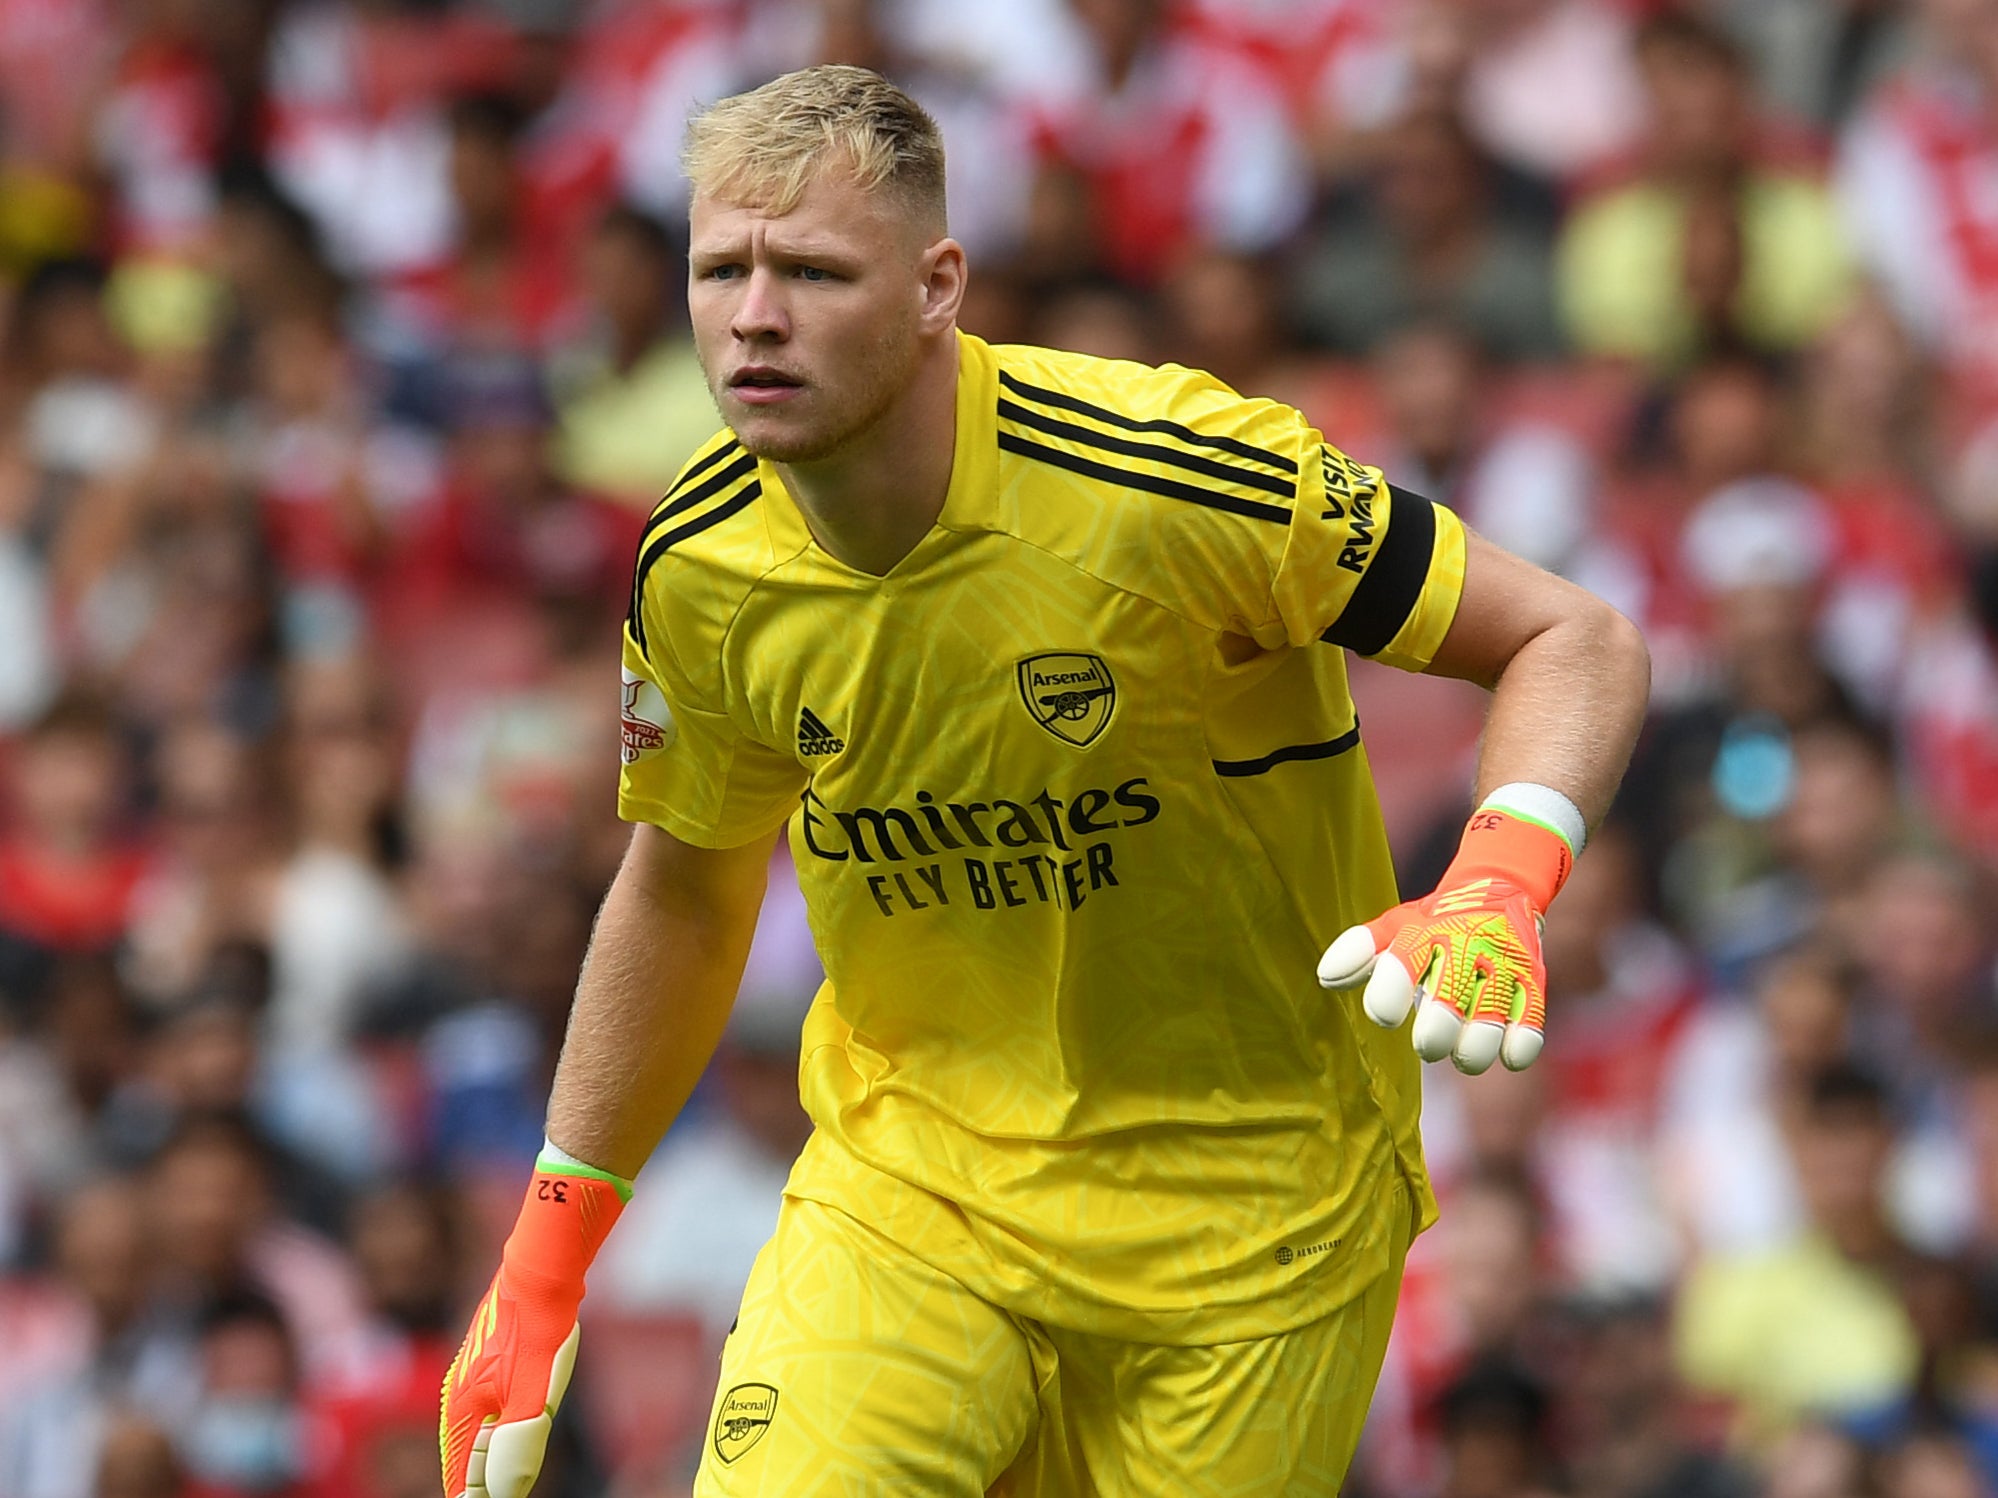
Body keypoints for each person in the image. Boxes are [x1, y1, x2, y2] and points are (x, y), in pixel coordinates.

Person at [438, 65, 1650, 1498]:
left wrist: (1499, 879)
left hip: (1253, 1215)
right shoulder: (698, 564)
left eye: (813, 272)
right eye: (721, 270)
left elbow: (1573, 635)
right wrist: (543, 1260)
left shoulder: (1177, 474)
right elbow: (686, 888)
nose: (753, 316)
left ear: (936, 283)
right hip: (914, 1190)